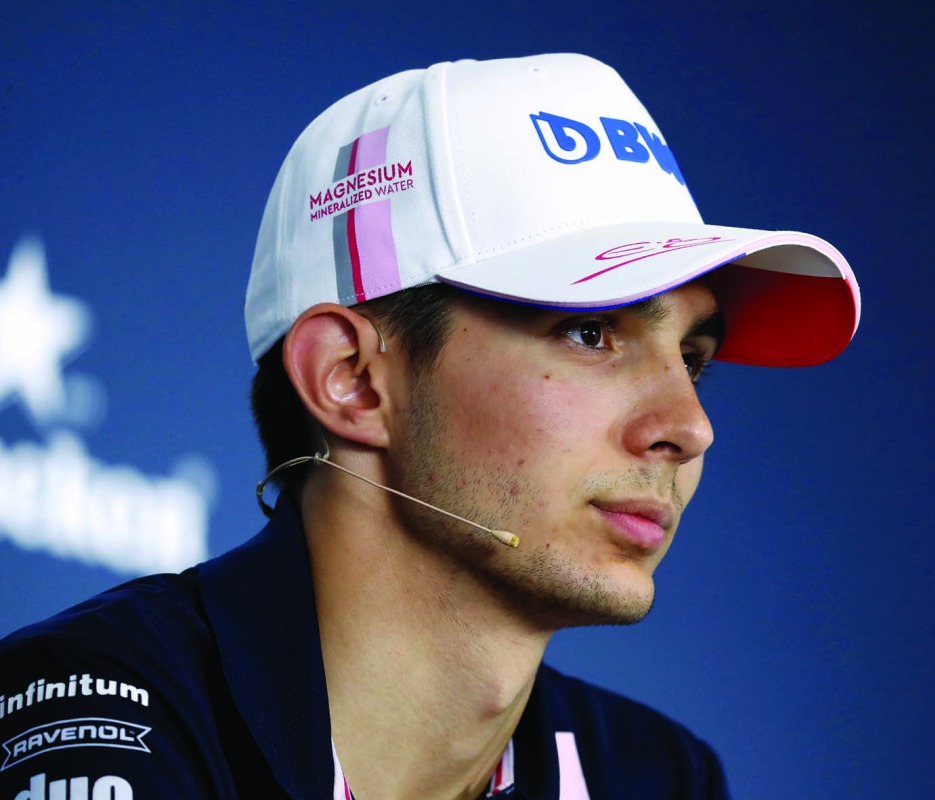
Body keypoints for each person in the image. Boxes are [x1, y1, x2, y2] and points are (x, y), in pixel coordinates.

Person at [0, 53, 859, 799]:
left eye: (693, 358)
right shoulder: (94, 712)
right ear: (353, 382)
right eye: (591, 331)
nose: (689, 427)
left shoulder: (656, 776)